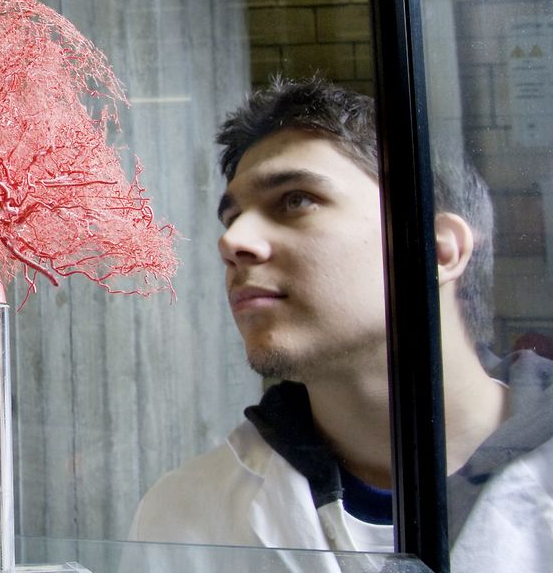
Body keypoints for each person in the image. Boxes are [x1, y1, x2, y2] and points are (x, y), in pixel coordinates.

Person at [129, 77, 553, 571]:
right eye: (232, 217)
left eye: (295, 200)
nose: (233, 242)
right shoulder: (184, 518)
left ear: (436, 249)